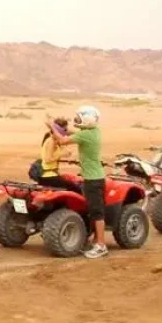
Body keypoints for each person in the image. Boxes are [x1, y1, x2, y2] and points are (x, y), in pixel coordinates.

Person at [47, 105, 107, 259]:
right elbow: (73, 133)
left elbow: (62, 140)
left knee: (97, 212)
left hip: (93, 179)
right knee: (93, 211)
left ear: (86, 120)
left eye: (79, 118)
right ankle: (95, 241)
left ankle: (101, 245)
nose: (76, 120)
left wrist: (52, 127)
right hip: (94, 177)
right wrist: (59, 127)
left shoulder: (85, 136)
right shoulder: (93, 132)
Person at [35, 118, 81, 193]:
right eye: (65, 129)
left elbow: (73, 134)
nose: (66, 131)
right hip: (49, 177)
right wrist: (62, 154)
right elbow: (48, 159)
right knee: (76, 189)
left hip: (51, 175)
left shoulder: (55, 141)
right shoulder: (51, 141)